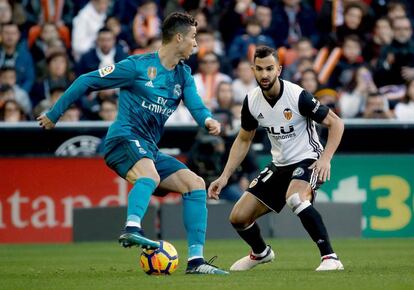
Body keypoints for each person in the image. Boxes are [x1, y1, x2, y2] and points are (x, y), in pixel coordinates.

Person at [38, 12, 228, 275]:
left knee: (195, 185)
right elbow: (86, 80)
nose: (197, 44)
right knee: (148, 172)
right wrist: (53, 114)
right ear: (179, 37)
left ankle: (196, 261)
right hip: (122, 140)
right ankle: (132, 228)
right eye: (194, 37)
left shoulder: (183, 76)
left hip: (148, 148)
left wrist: (208, 120)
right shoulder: (137, 66)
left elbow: (195, 104)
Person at [208, 46, 345, 272]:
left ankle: (330, 257)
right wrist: (224, 177)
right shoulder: (251, 101)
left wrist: (326, 158)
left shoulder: (297, 96)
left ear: (279, 69)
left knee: (296, 198)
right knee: (238, 217)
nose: (264, 74)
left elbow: (336, 123)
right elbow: (243, 140)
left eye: (270, 69)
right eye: (260, 69)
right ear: (253, 70)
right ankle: (261, 253)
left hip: (308, 159)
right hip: (279, 165)